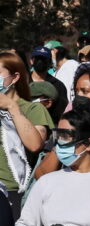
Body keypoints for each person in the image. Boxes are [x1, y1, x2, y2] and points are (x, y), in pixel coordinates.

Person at [0, 52, 53, 214]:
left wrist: (12, 107)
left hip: (13, 191)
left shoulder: (33, 109)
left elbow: (35, 144)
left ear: (15, 77)